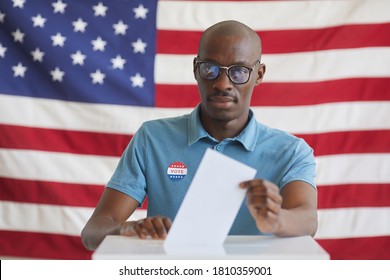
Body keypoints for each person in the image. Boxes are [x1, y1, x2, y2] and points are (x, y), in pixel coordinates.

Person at [81, 20, 318, 250]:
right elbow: (93, 233)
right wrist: (128, 230)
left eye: (239, 71)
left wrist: (277, 220)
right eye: (210, 69)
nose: (223, 83)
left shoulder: (292, 151)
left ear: (259, 74)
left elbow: (308, 221)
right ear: (196, 69)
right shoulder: (152, 138)